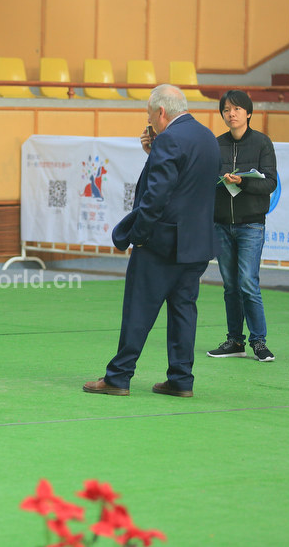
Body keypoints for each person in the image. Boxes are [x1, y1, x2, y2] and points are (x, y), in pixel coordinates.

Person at [83, 84, 220, 398]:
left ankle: (119, 377)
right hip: (197, 243)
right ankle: (181, 379)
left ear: (161, 112)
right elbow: (188, 184)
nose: (148, 120)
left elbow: (156, 196)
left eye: (149, 114)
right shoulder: (208, 137)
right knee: (184, 312)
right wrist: (153, 152)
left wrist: (139, 235)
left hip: (162, 242)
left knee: (139, 310)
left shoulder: (169, 140)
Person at [206, 90, 277, 362]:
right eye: (226, 110)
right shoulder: (216, 144)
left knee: (248, 282)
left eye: (236, 109)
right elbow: (205, 178)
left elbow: (270, 183)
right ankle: (235, 341)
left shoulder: (262, 143)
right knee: (230, 286)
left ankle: (259, 341)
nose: (231, 114)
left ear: (248, 113)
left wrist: (242, 182)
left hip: (251, 225)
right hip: (222, 224)